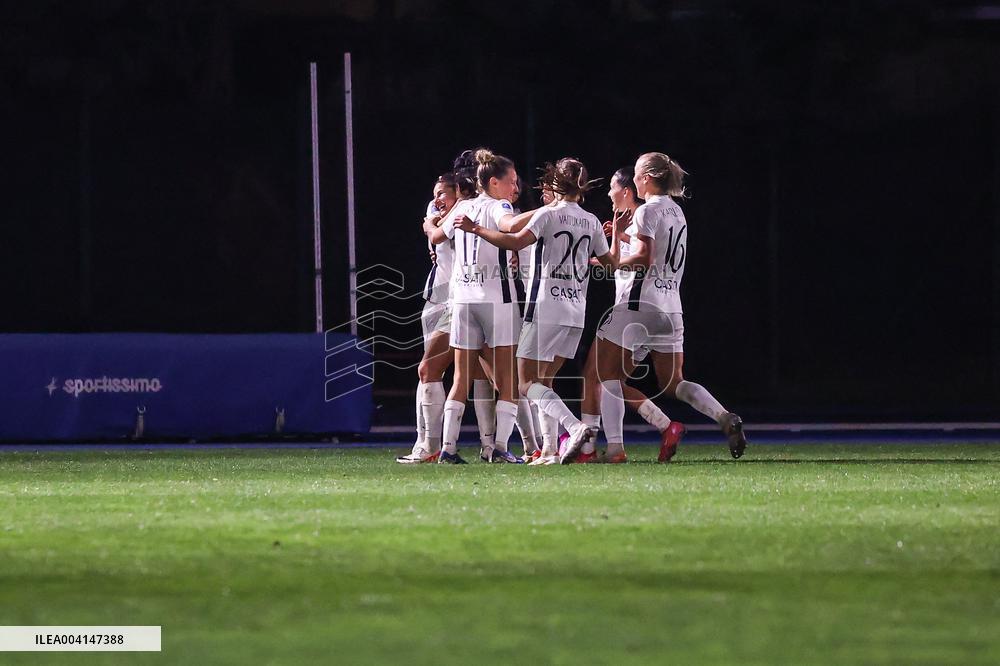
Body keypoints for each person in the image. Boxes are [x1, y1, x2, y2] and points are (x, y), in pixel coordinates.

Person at [578, 152, 747, 464]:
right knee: (673, 382)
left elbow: (644, 257)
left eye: (639, 175)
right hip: (671, 307)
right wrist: (622, 236)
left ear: (645, 178)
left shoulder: (647, 211)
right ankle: (723, 417)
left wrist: (612, 261)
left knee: (600, 373)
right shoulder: (677, 212)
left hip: (640, 304)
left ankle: (613, 449)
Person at [456, 157, 615, 464]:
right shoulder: (593, 221)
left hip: (545, 308)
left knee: (526, 382)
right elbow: (611, 265)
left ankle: (575, 427)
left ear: (557, 183)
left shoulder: (548, 214)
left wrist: (477, 229)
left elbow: (513, 241)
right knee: (545, 382)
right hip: (575, 312)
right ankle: (551, 451)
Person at [425, 149, 537, 463]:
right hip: (495, 301)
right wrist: (547, 211)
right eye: (511, 181)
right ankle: (499, 448)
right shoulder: (497, 206)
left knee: (460, 379)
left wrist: (431, 221)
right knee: (507, 382)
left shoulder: (463, 205)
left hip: (463, 300)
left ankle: (447, 449)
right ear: (493, 182)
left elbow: (435, 236)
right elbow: (510, 225)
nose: (515, 188)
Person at [577, 167, 685, 463]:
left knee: (594, 374)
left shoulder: (643, 216)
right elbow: (623, 259)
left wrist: (596, 256)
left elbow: (629, 262)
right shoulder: (648, 219)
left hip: (634, 308)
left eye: (612, 188)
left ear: (626, 190)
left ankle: (594, 449)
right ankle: (666, 426)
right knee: (613, 381)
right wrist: (616, 237)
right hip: (659, 308)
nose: (609, 194)